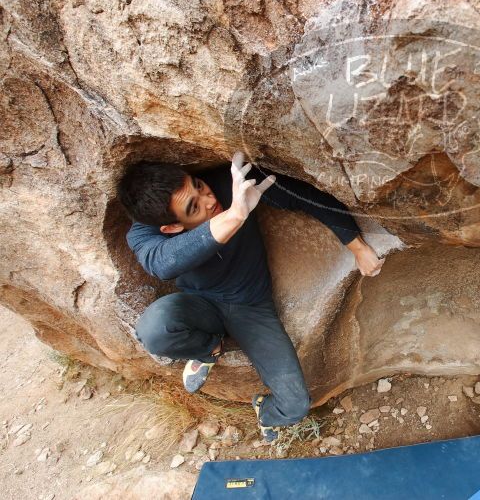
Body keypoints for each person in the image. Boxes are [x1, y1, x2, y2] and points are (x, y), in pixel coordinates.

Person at [117, 151, 384, 441]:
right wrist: (235, 215)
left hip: (251, 307)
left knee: (295, 406)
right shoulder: (145, 233)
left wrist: (356, 246)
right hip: (199, 303)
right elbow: (161, 263)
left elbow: (305, 196)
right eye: (194, 207)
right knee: (154, 330)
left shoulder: (231, 183)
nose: (208, 199)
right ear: (171, 228)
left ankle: (265, 412)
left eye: (197, 184)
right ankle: (208, 349)